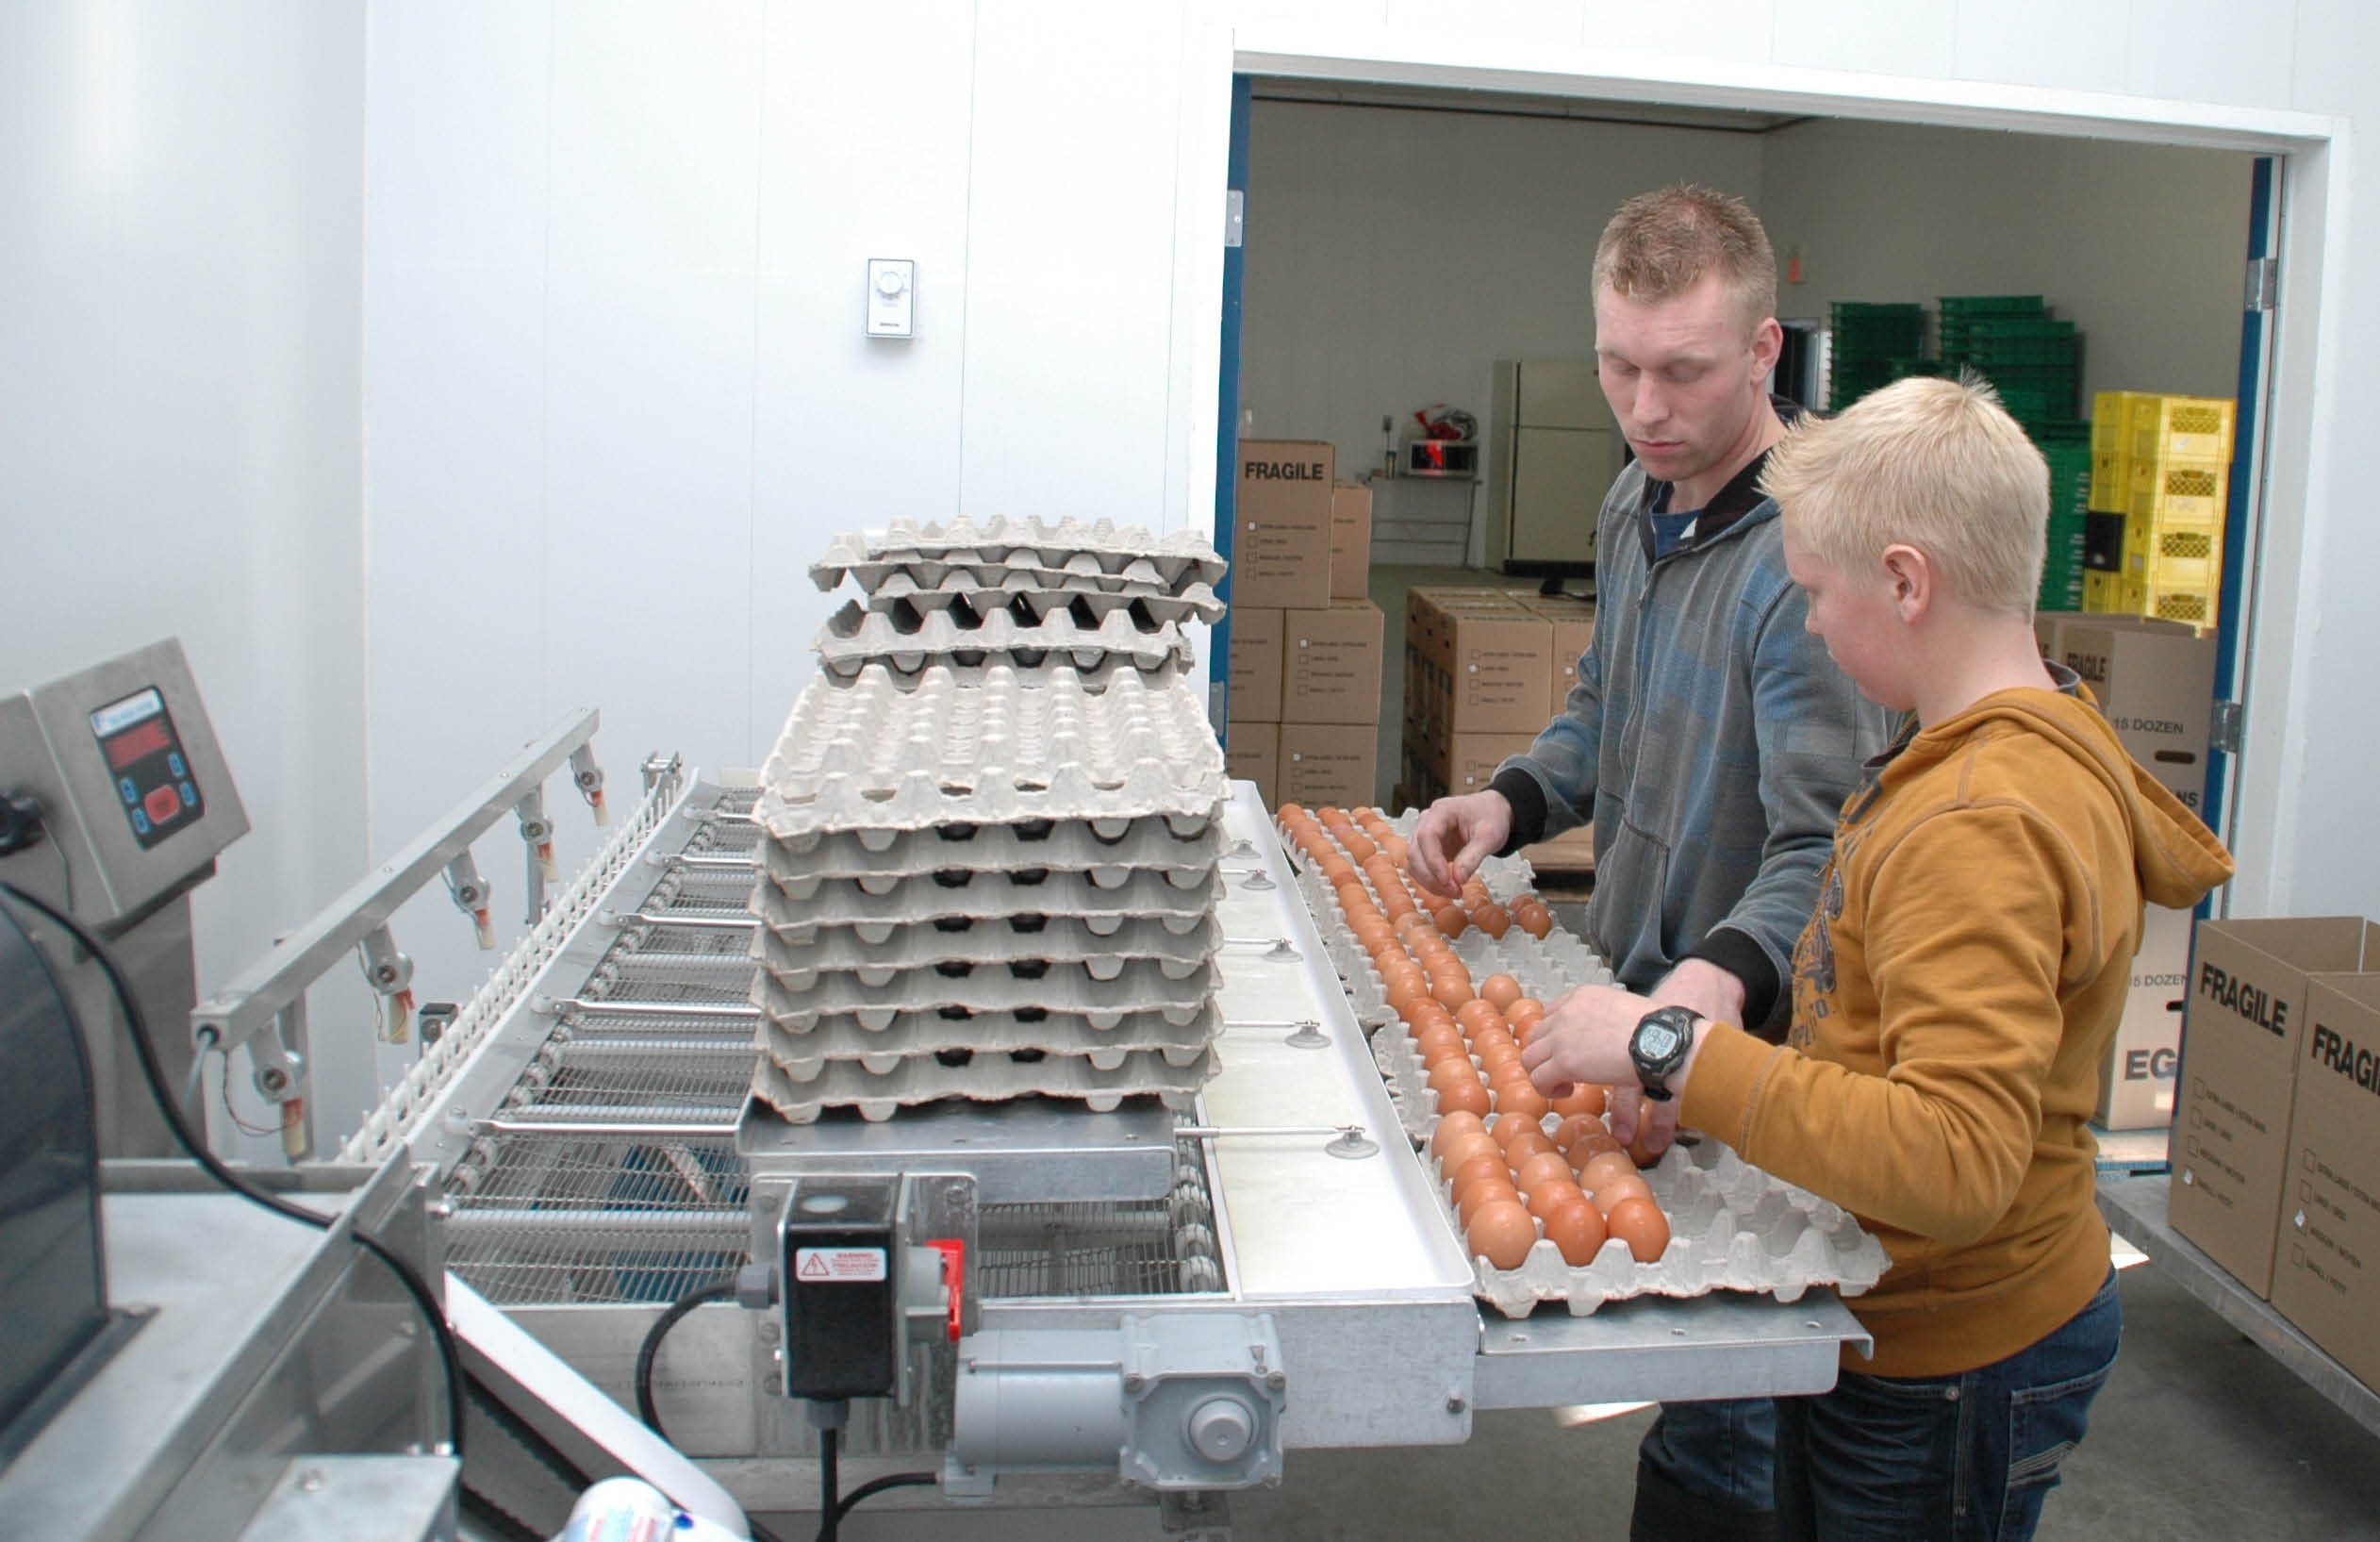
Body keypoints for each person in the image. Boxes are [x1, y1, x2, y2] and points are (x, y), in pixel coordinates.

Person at [1519, 375, 2235, 1541]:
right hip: (1902, 1312)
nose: (1805, 623)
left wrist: (1671, 1048)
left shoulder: (1978, 823)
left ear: (1905, 581)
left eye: (1813, 591)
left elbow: (1954, 1159)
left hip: (1951, 1360)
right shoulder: (1991, 738)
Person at [1407, 185, 1892, 1541]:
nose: (1644, 404)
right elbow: (1601, 704)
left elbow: (1827, 849)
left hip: (1738, 1050)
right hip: (1634, 1016)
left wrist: (1707, 989)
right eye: (1618, 364)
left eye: (1682, 370)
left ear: (1764, 351)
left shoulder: (1809, 565)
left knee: (1726, 1442)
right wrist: (1511, 798)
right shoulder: (1638, 498)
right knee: (1688, 1399)